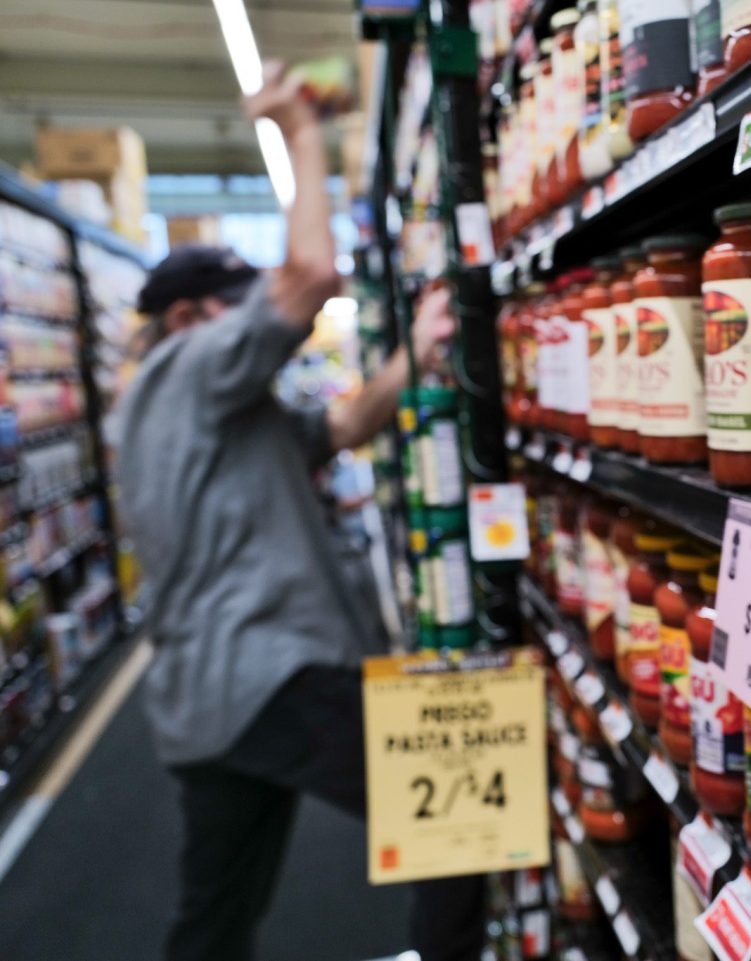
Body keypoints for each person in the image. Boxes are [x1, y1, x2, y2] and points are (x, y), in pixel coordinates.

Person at [115, 62, 484, 961]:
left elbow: (346, 424)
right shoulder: (190, 370)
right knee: (460, 809)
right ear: (186, 319)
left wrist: (415, 349)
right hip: (270, 670)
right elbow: (313, 271)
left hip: (207, 699)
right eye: (237, 311)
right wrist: (302, 127)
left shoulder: (216, 411)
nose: (256, 327)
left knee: (215, 918)